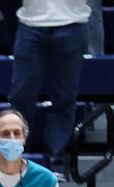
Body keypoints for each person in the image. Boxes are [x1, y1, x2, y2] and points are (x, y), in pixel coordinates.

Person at [7, 0, 90, 177]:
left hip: (72, 23)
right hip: (30, 23)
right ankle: (14, 158)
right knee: (21, 98)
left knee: (64, 99)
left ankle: (56, 160)